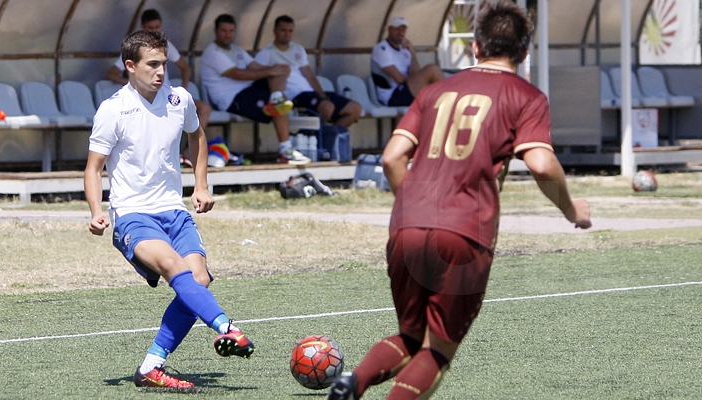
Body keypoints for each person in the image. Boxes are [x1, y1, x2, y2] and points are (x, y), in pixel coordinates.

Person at [328, 2, 592, 399]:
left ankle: (355, 380)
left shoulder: (435, 91)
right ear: (523, 53)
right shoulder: (526, 96)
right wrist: (573, 210)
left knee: (410, 337)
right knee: (438, 349)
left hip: (407, 226)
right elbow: (540, 162)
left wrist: (416, 205)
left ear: (475, 47)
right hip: (465, 231)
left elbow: (391, 157)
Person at [85, 30, 254, 390]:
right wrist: (97, 210)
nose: (161, 71)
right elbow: (93, 167)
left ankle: (151, 367)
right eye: (152, 64)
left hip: (173, 212)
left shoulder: (180, 99)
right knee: (177, 270)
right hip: (133, 214)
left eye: (163, 63)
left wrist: (202, 184)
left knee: (200, 280)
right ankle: (227, 328)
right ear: (130, 66)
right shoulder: (113, 109)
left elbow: (198, 136)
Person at [201, 13, 310, 165]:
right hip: (231, 98)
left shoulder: (237, 50)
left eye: (231, 31)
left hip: (249, 90)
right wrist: (271, 71)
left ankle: (276, 98)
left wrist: (278, 69)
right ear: (216, 31)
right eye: (224, 31)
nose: (228, 35)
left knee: (278, 84)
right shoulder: (213, 52)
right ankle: (285, 150)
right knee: (278, 99)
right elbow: (237, 74)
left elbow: (257, 67)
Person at [105, 9, 212, 131]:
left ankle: (189, 149)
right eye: (150, 28)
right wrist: (136, 84)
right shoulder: (135, 48)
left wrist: (184, 90)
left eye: (157, 27)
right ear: (142, 27)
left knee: (204, 108)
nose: (154, 31)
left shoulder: (165, 44)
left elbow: (185, 67)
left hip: (168, 95)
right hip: (147, 96)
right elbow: (111, 74)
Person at [254, 15, 362, 128]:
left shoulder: (298, 49)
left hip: (311, 93)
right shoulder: (266, 53)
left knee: (355, 109)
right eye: (283, 30)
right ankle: (315, 137)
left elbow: (309, 75)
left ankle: (330, 139)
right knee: (327, 108)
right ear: (275, 31)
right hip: (295, 96)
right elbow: (256, 76)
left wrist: (322, 96)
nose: (287, 34)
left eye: (290, 31)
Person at [370, 16, 445, 107]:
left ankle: (448, 101)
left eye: (403, 30)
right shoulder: (381, 49)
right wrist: (421, 82)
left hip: (406, 90)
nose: (400, 33)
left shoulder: (405, 50)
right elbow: (399, 79)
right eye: (397, 29)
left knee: (433, 72)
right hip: (392, 95)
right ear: (389, 29)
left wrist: (412, 53)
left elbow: (416, 73)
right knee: (432, 69)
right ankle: (452, 99)